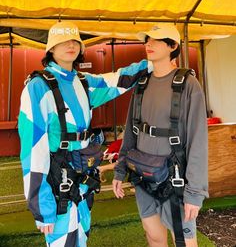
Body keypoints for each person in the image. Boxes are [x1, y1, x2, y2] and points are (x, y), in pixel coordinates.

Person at [18, 20, 153, 247]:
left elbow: (118, 80)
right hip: (58, 184)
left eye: (74, 40)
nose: (69, 45)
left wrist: (151, 65)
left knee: (81, 238)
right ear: (50, 48)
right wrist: (42, 207)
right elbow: (33, 149)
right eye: (62, 41)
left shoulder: (83, 82)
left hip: (83, 181)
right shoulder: (38, 87)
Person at [113, 24, 208, 247]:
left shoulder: (188, 85)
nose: (148, 44)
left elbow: (198, 141)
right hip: (142, 176)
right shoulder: (141, 84)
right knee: (153, 237)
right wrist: (119, 170)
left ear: (173, 45)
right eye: (147, 40)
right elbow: (130, 132)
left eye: (156, 40)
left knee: (184, 241)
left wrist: (194, 192)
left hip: (175, 179)